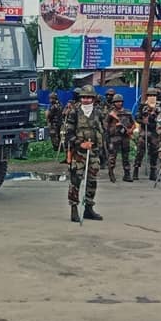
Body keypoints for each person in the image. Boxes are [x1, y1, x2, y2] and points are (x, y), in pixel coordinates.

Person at [64, 85, 103, 222]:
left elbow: (102, 131)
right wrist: (80, 144)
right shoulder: (74, 112)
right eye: (84, 97)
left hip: (93, 152)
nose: (86, 100)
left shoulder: (98, 112)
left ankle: (88, 208)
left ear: (93, 98)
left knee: (92, 181)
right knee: (76, 181)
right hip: (78, 153)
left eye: (89, 97)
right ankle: (74, 209)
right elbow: (68, 134)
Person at [106, 94, 135, 183]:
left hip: (125, 137)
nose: (119, 103)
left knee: (126, 156)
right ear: (114, 103)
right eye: (117, 102)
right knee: (112, 157)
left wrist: (131, 129)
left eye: (120, 101)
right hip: (114, 137)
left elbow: (133, 123)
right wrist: (115, 126)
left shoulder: (127, 112)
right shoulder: (111, 114)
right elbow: (105, 125)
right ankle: (111, 174)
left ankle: (127, 174)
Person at [134, 87, 161, 181]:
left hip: (155, 132)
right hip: (144, 131)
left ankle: (153, 172)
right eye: (150, 95)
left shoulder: (159, 106)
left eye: (154, 95)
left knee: (154, 152)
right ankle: (135, 171)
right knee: (140, 151)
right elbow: (137, 117)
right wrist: (142, 121)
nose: (152, 97)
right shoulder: (142, 106)